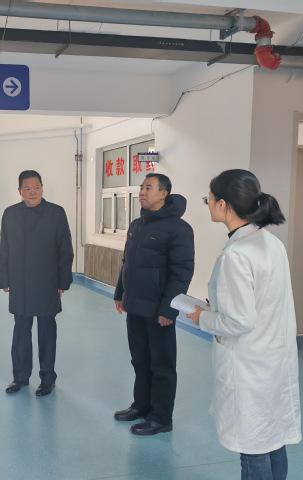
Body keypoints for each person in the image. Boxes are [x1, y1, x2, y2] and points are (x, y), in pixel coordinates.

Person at [187, 169, 301, 480]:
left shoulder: (235, 255)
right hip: (274, 358)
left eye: (209, 199)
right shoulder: (271, 243)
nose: (208, 205)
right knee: (273, 438)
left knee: (253, 448)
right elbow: (262, 301)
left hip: (250, 365)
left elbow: (239, 321)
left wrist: (201, 317)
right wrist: (218, 308)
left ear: (223, 204)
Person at [113, 173, 194, 435]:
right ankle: (141, 406)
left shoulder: (179, 229)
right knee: (140, 361)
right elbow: (128, 262)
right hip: (135, 306)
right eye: (141, 187)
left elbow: (181, 272)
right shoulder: (137, 224)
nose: (142, 192)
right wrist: (120, 292)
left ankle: (161, 418)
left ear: (163, 194)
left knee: (162, 365)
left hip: (159, 310)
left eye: (149, 188)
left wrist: (169, 308)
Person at [0, 170, 74, 397]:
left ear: (42, 188)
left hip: (47, 282)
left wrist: (63, 282)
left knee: (47, 333)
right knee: (21, 332)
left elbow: (65, 250)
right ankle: (20, 377)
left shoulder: (56, 213)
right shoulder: (10, 214)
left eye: (36, 187)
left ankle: (47, 379)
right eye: (27, 188)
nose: (33, 192)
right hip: (20, 282)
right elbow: (3, 248)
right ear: (20, 191)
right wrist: (4, 278)